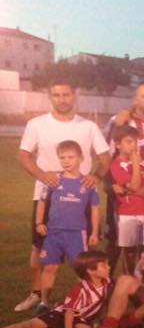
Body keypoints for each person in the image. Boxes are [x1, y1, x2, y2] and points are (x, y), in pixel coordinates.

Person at [16, 81, 110, 313]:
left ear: (74, 96)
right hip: (47, 196)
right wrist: (42, 175)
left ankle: (90, 297)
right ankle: (37, 295)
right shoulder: (37, 124)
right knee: (39, 247)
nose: (62, 99)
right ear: (50, 97)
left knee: (84, 252)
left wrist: (96, 176)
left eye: (66, 94)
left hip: (80, 197)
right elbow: (24, 155)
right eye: (56, 95)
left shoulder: (88, 126)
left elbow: (105, 157)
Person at [35, 140, 101, 309]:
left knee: (80, 269)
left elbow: (95, 209)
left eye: (70, 157)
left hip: (77, 233)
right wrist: (39, 222)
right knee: (49, 267)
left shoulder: (88, 183)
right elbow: (42, 201)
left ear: (81, 158)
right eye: (62, 158)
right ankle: (44, 302)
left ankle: (86, 302)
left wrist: (94, 233)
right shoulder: (54, 179)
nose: (66, 161)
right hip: (54, 232)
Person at [0, 250, 110, 328]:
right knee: (26, 326)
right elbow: (69, 311)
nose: (109, 267)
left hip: (81, 320)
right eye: (104, 265)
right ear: (90, 271)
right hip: (61, 315)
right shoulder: (80, 289)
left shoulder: (108, 283)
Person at [103, 83, 144, 239]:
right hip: (125, 187)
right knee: (120, 239)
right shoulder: (122, 121)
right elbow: (107, 155)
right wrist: (110, 185)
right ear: (135, 100)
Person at [110, 125, 144, 276]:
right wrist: (136, 164)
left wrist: (127, 190)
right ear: (118, 145)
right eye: (129, 142)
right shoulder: (117, 165)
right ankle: (130, 283)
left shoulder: (143, 162)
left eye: (135, 142)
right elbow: (136, 184)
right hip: (128, 213)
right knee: (129, 253)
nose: (134, 145)